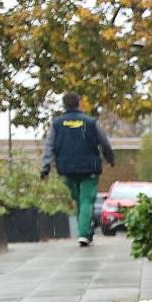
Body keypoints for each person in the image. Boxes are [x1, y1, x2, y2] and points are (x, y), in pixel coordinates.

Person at [40, 92, 114, 246]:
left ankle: (86, 230)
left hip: (67, 168)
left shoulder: (57, 125)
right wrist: (110, 158)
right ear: (79, 103)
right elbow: (104, 142)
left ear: (64, 105)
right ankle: (84, 232)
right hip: (89, 167)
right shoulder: (91, 122)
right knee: (86, 199)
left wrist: (46, 166)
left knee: (79, 199)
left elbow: (49, 146)